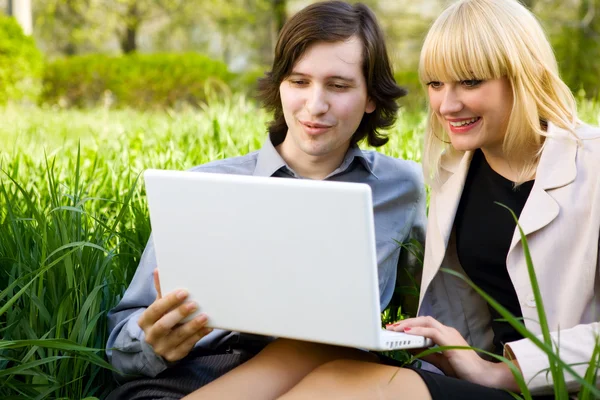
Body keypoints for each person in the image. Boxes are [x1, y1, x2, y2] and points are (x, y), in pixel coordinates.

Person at [196, 0, 600, 399]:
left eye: (471, 82)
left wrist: (500, 374)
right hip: (476, 379)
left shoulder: (591, 164)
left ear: (525, 77)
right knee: (332, 369)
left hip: (558, 387)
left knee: (345, 385)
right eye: (436, 84)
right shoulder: (455, 170)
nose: (447, 104)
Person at [105, 1, 427, 398]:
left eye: (339, 86)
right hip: (198, 374)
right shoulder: (206, 186)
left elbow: (428, 309)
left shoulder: (401, 187)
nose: (315, 105)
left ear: (372, 97)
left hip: (337, 377)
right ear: (279, 86)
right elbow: (123, 342)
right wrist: (152, 343)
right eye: (299, 81)